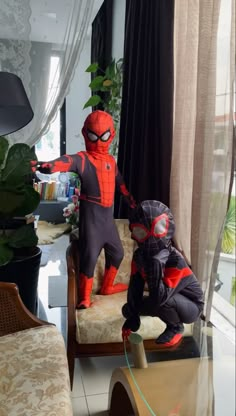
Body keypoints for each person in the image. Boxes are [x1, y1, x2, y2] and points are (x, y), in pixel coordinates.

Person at [33, 110, 136, 309]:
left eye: (103, 136)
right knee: (89, 256)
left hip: (108, 221)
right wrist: (48, 166)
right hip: (91, 222)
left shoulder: (111, 162)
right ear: (84, 133)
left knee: (117, 254)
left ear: (111, 135)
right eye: (93, 136)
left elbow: (120, 182)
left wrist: (130, 200)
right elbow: (66, 161)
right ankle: (84, 297)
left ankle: (107, 287)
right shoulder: (83, 159)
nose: (98, 141)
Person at [121, 200, 204, 347]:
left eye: (157, 230)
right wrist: (133, 316)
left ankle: (176, 327)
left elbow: (160, 297)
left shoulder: (175, 261)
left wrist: (156, 266)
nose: (150, 238)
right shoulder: (139, 257)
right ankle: (137, 315)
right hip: (162, 295)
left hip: (191, 306)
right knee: (128, 309)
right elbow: (135, 287)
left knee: (161, 303)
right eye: (141, 232)